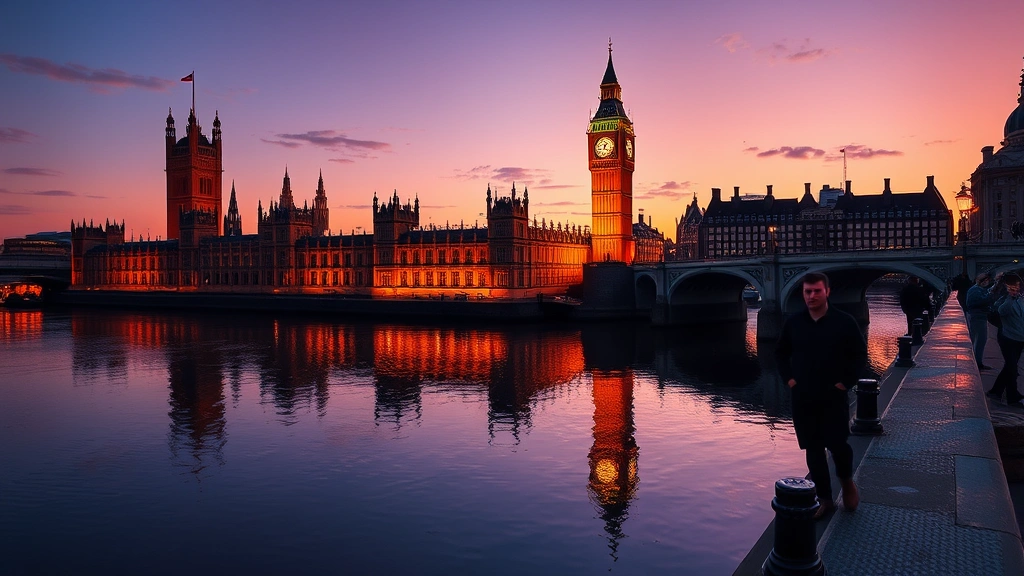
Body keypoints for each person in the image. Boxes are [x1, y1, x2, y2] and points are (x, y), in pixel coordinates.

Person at [776, 272, 868, 519]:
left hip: (832, 395)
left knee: (838, 445)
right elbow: (781, 354)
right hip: (803, 396)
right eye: (807, 291)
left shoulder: (845, 322)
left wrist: (844, 384)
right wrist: (790, 381)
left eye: (817, 291)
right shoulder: (794, 323)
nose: (811, 296)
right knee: (813, 449)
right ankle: (825, 499)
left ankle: (847, 482)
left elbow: (860, 356)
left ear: (827, 292)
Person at [988, 273, 1024, 407]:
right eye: (1013, 288)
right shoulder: (1004, 299)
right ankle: (1012, 397)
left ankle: (995, 391)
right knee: (1012, 369)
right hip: (1007, 338)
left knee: (1009, 367)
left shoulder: (1020, 299)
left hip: (1019, 339)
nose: (1016, 290)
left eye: (1018, 287)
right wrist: (1010, 297)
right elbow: (1001, 311)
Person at [965, 273, 998, 370]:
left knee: (980, 340)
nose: (987, 282)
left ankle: (977, 361)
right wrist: (990, 296)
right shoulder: (975, 290)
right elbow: (974, 303)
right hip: (978, 317)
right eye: (985, 280)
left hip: (980, 317)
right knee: (980, 340)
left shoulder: (977, 289)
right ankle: (978, 363)